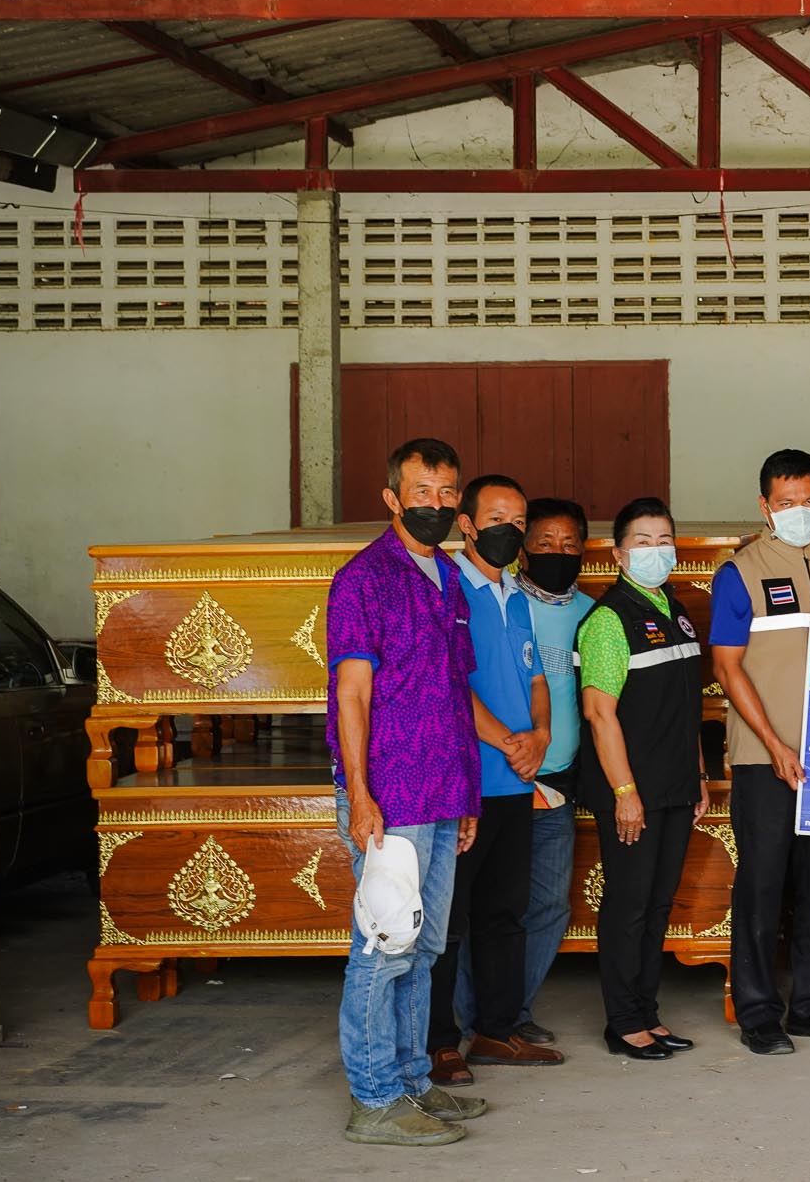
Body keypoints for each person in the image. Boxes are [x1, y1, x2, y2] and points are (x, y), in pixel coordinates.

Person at [326, 437, 486, 1146]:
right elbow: (352, 695)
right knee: (384, 945)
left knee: (423, 948)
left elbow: (455, 694)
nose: (436, 504)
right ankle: (373, 1099)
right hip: (390, 794)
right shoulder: (363, 578)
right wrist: (360, 794)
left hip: (444, 789)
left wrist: (468, 794)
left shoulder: (448, 575)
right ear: (392, 497)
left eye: (448, 492)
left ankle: (413, 1081)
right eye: (423, 491)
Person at [708, 449, 810, 1055]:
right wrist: (774, 744)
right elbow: (727, 667)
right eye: (788, 502)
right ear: (765, 506)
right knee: (762, 886)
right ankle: (758, 1014)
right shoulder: (739, 573)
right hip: (762, 756)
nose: (802, 511)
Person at [427, 475, 564, 1082]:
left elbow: (536, 679)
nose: (510, 530)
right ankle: (438, 1043)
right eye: (497, 519)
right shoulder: (446, 588)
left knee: (505, 914)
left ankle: (496, 1030)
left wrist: (540, 736)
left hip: (514, 781)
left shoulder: (518, 596)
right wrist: (512, 743)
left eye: (519, 521)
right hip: (465, 781)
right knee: (447, 920)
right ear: (467, 524)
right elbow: (449, 684)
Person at [578, 497, 710, 1060]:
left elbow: (686, 705)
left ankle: (648, 1013)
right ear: (618, 553)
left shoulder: (674, 609)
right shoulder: (609, 620)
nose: (656, 551)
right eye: (643, 542)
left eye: (664, 541)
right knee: (629, 906)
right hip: (634, 791)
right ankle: (623, 1022)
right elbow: (599, 714)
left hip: (675, 785)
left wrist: (698, 774)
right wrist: (624, 793)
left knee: (657, 905)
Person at [503, 497, 595, 1044]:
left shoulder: (592, 614)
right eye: (544, 544)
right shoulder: (504, 604)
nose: (557, 554)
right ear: (523, 550)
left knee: (549, 905)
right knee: (492, 904)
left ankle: (513, 1013)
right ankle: (473, 1016)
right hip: (503, 777)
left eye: (568, 545)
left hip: (559, 783)